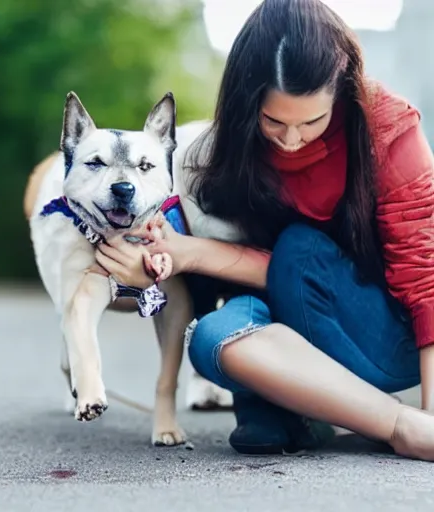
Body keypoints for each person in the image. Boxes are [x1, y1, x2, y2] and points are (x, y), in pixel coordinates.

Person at [93, 0, 434, 461]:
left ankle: (388, 422)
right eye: (275, 122)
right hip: (290, 317)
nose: (292, 140)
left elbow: (424, 280)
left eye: (313, 121)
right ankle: (361, 417)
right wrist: (162, 263)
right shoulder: (218, 154)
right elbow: (250, 273)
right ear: (246, 102)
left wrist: (432, 418)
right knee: (214, 337)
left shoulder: (388, 129)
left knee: (300, 249)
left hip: (382, 333)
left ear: (343, 92)